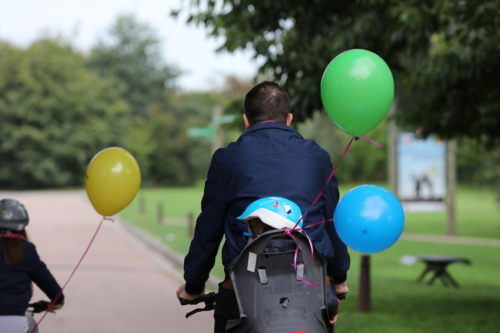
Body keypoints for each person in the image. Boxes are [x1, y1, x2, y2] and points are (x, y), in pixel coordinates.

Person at [176, 81, 350, 332]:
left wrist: (193, 287)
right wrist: (339, 278)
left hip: (243, 292)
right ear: (288, 119)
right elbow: (333, 223)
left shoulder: (225, 160)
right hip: (311, 289)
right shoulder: (318, 158)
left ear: (247, 120)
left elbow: (208, 232)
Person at [236, 196, 340, 326]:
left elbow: (234, 302)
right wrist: (333, 312)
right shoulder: (307, 260)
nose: (247, 241)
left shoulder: (246, 266)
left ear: (257, 236)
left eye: (248, 235)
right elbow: (329, 301)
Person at [0, 199, 65, 333]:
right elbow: (45, 279)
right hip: (13, 322)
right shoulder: (26, 250)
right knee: (31, 324)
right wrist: (57, 300)